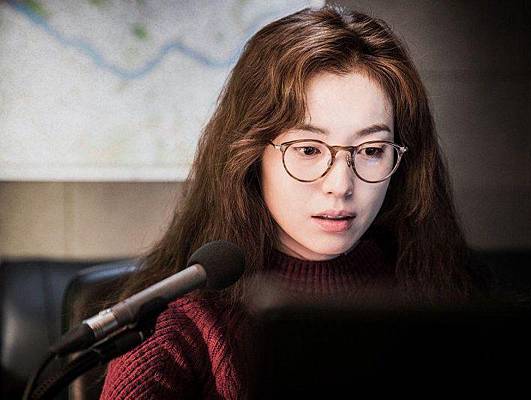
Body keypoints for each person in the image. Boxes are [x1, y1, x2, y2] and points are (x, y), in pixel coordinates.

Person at [99, 5, 491, 399]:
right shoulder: (168, 335)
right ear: (251, 157)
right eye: (308, 149)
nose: (341, 185)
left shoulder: (448, 294)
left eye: (372, 150)